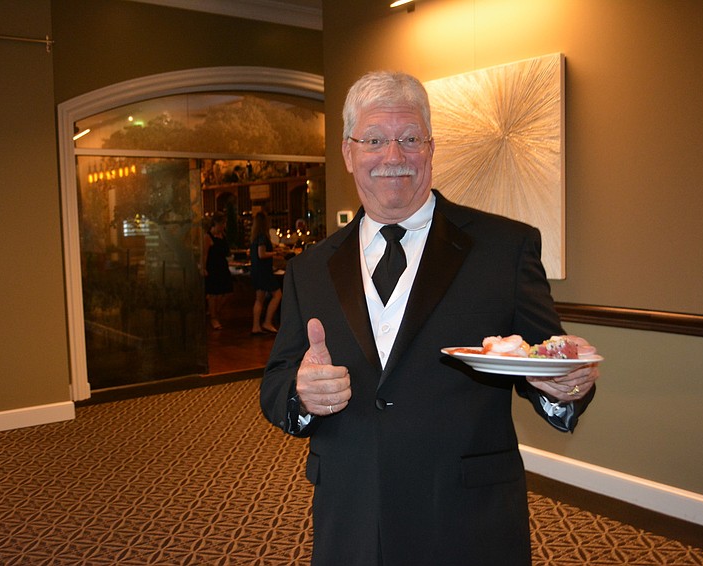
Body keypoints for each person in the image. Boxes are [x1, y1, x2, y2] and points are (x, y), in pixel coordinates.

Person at [259, 71, 600, 565]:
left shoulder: (504, 249)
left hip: (465, 520)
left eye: (410, 138)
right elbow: (276, 384)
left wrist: (565, 385)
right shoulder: (308, 269)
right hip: (352, 514)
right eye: (374, 140)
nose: (393, 156)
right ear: (348, 153)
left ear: (431, 148)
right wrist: (301, 393)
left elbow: (546, 360)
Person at [249, 211, 282, 334]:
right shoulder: (263, 237)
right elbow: (261, 254)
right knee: (277, 295)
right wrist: (275, 253)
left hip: (256, 271)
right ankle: (267, 322)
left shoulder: (255, 237)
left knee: (259, 299)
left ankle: (256, 326)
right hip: (264, 272)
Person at [202, 211, 233, 330]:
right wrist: (204, 268)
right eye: (222, 223)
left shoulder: (223, 235)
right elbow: (205, 254)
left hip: (222, 266)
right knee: (213, 294)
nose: (224, 226)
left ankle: (215, 311)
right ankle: (213, 317)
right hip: (213, 267)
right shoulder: (208, 237)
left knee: (228, 291)